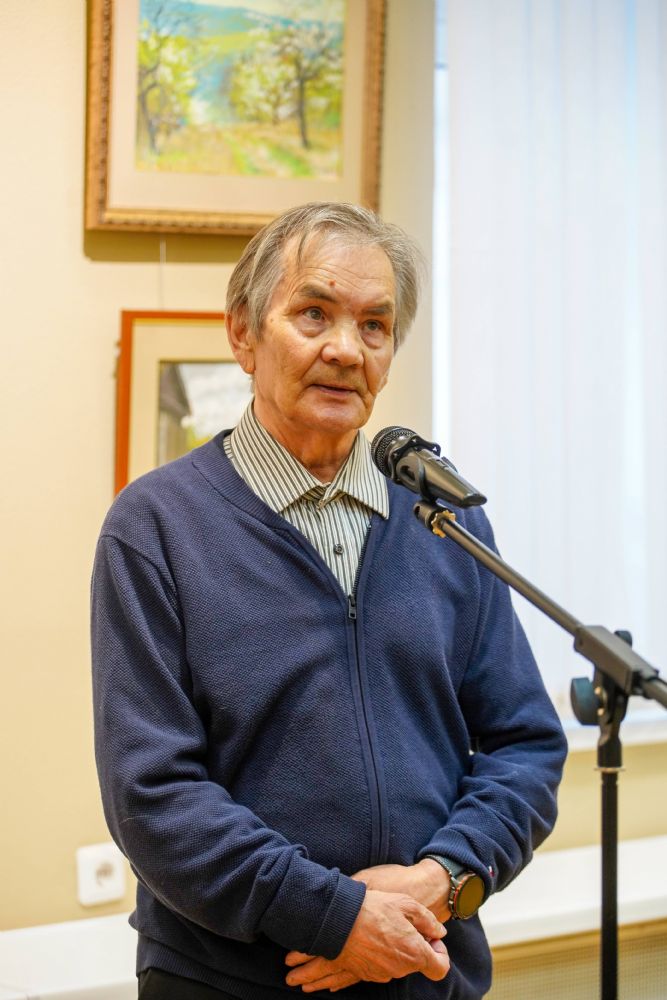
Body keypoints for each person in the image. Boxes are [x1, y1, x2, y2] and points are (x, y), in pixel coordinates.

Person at [91, 202, 567, 1000]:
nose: (345, 349)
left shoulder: (443, 520)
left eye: (374, 325)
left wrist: (443, 880)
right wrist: (336, 918)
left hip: (426, 965)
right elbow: (152, 794)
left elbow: (524, 746)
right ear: (243, 334)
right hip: (234, 980)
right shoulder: (155, 528)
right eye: (313, 313)